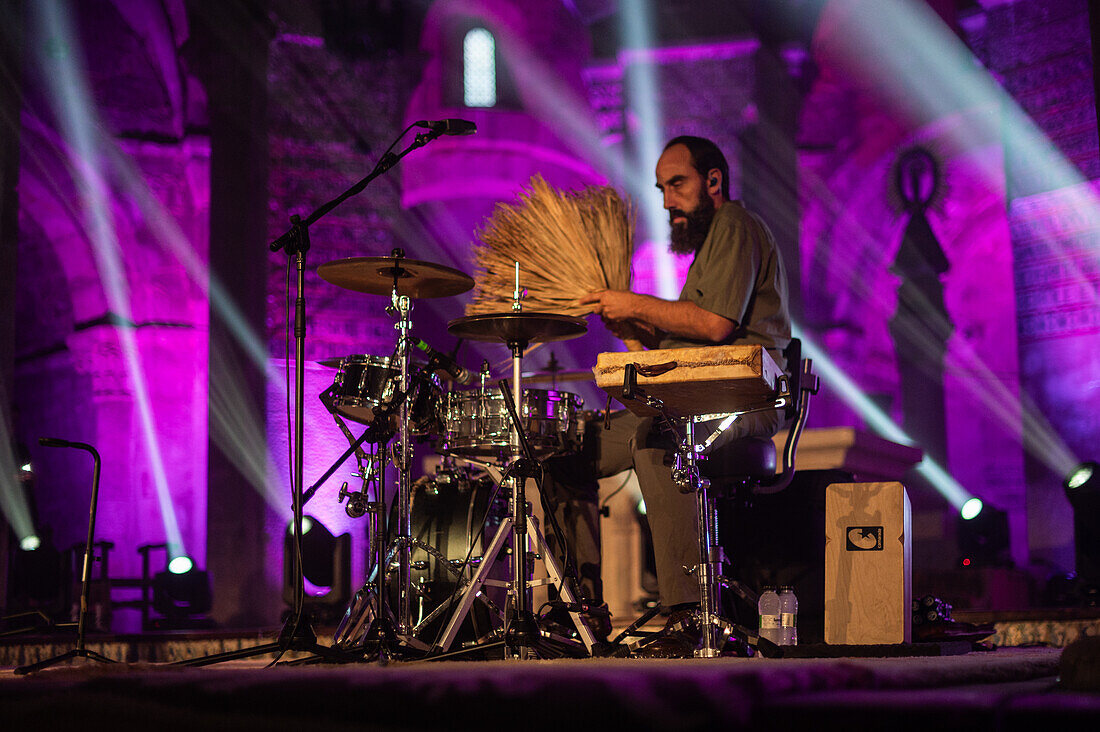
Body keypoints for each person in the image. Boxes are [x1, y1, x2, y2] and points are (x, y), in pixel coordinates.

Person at [540, 135, 791, 645]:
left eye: (677, 184)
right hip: (695, 397)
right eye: (661, 188)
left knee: (660, 439)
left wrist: (631, 303)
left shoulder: (735, 226)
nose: (667, 200)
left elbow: (716, 326)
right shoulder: (711, 246)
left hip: (745, 398)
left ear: (714, 181)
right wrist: (627, 325)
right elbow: (676, 352)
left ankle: (687, 613)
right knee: (558, 453)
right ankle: (580, 611)